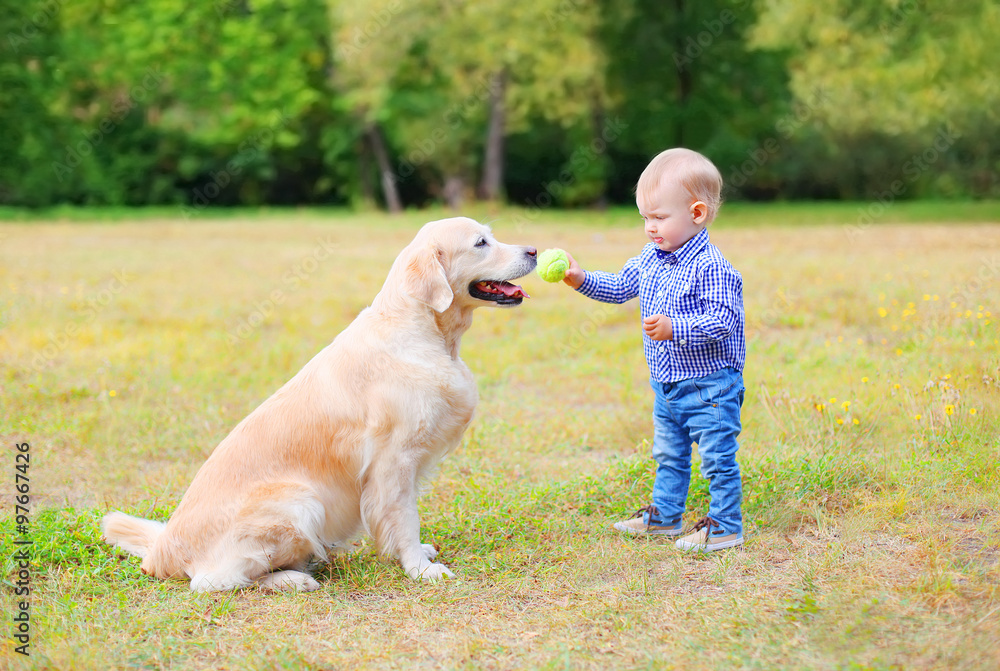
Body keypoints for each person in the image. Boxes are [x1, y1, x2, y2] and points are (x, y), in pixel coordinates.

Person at [561, 148, 746, 552]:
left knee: (716, 458)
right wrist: (581, 279)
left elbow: (723, 321)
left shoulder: (712, 267)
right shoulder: (651, 258)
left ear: (697, 213)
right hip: (667, 385)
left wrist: (674, 327)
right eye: (645, 217)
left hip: (710, 387)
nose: (649, 227)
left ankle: (726, 526)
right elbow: (620, 286)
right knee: (669, 454)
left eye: (659, 217)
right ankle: (665, 516)